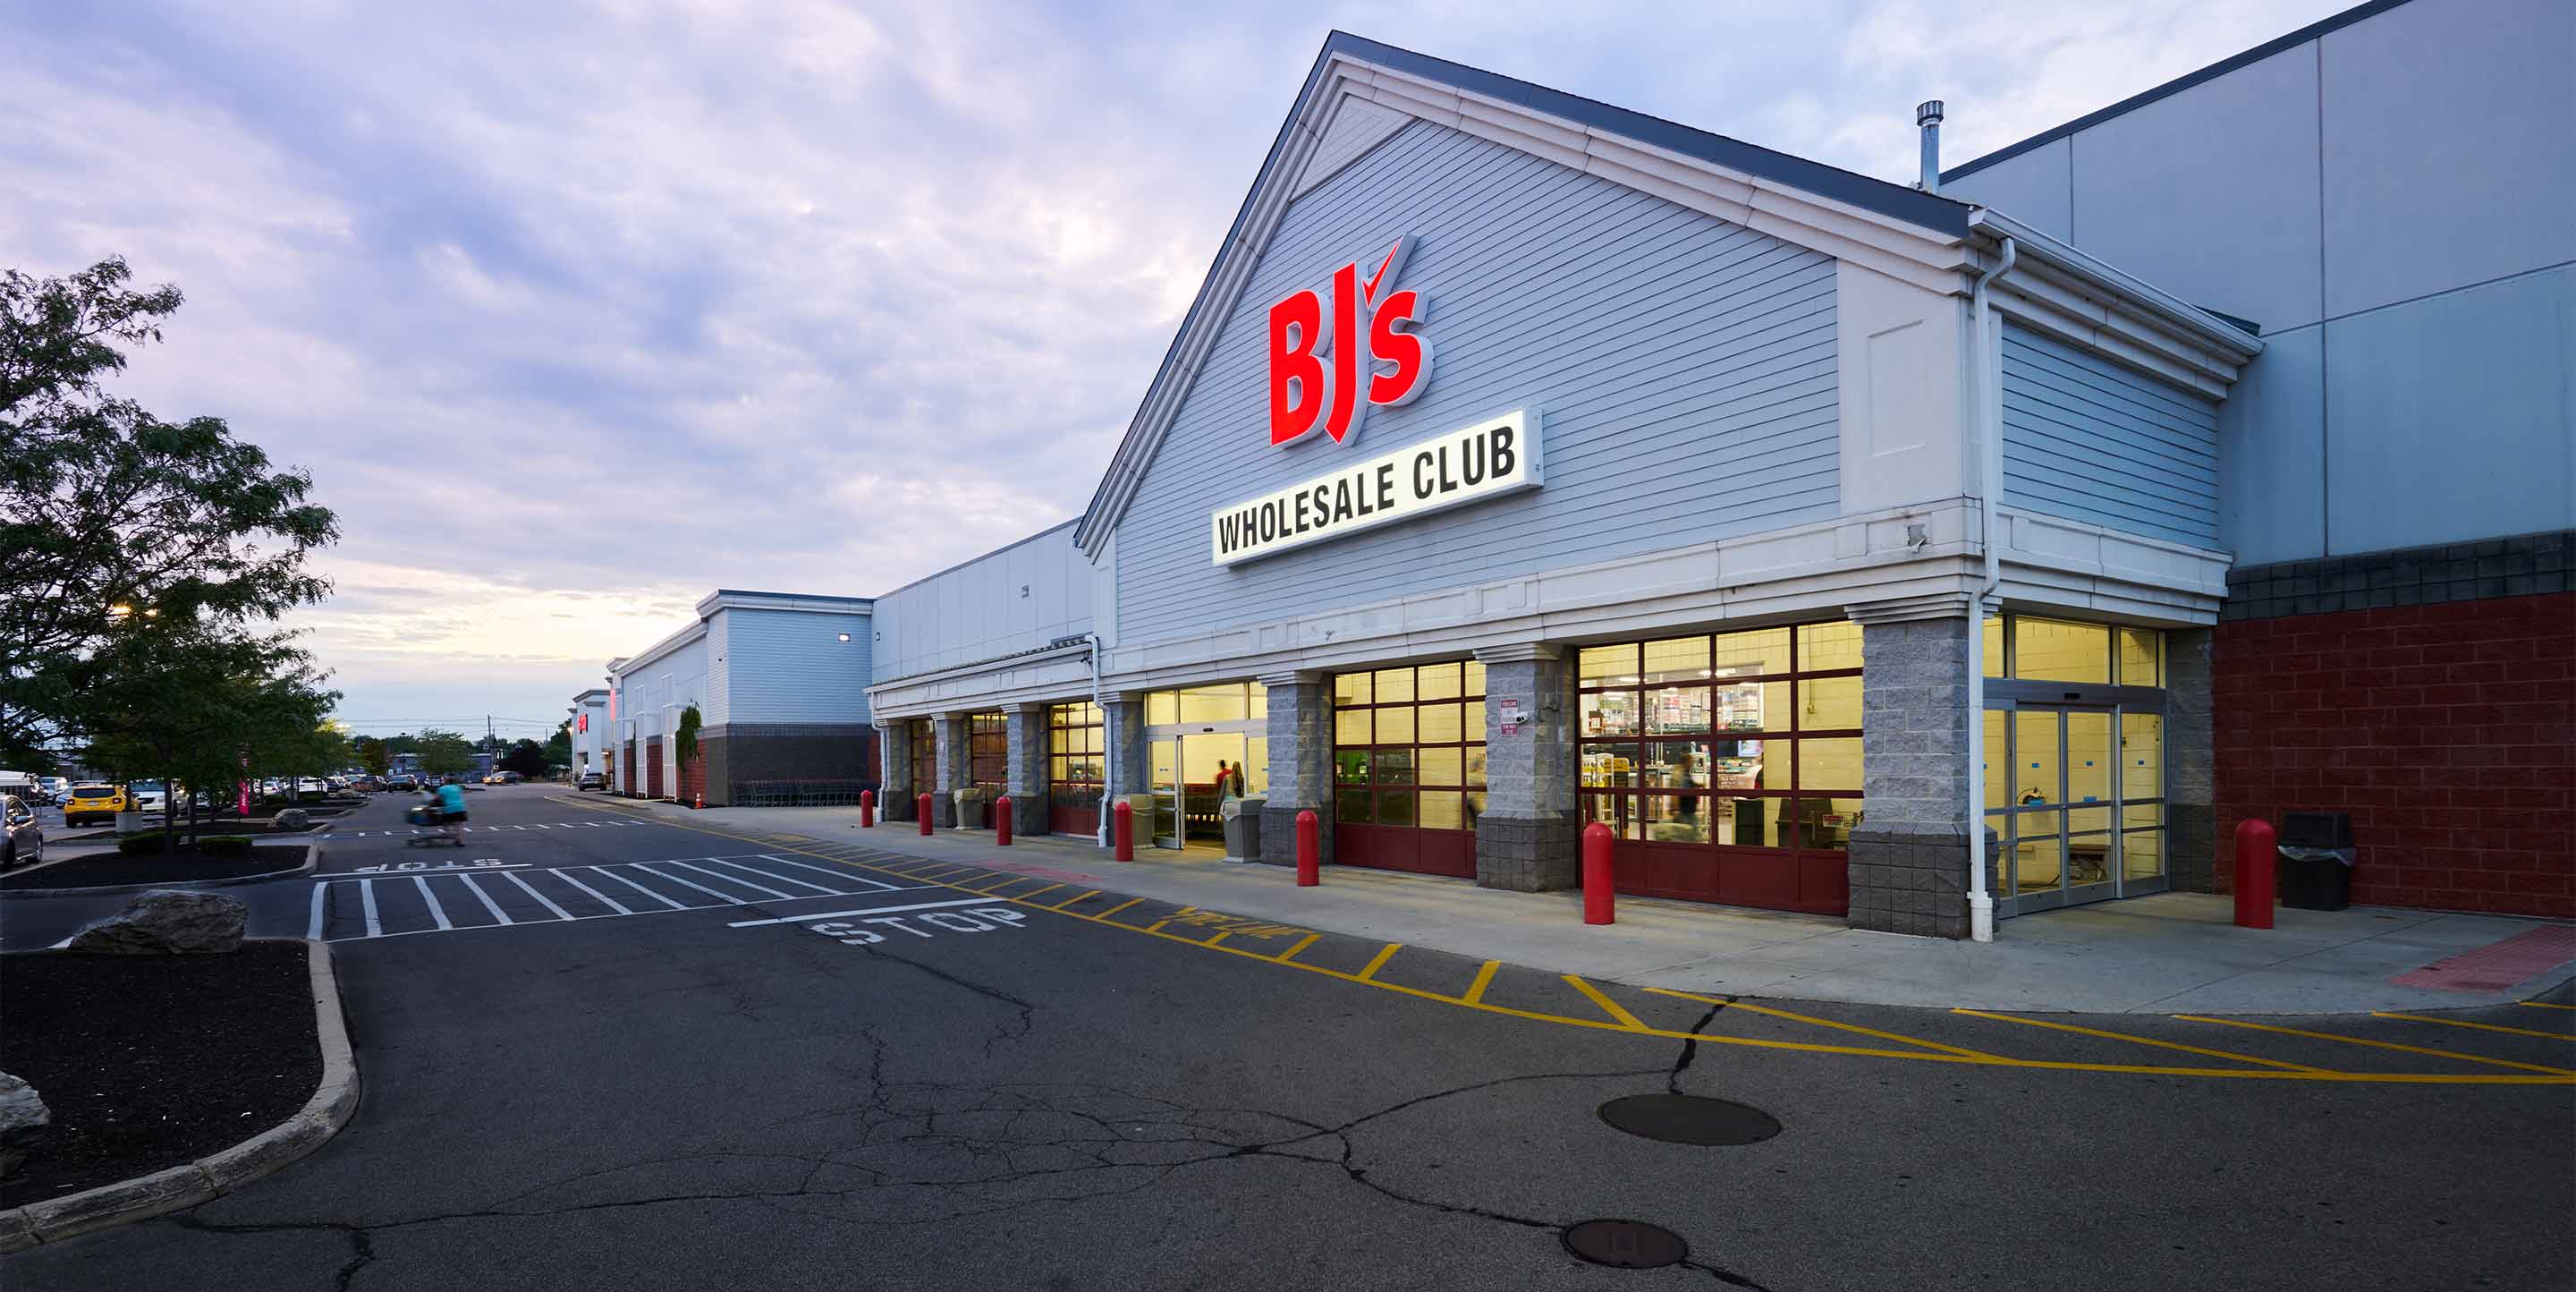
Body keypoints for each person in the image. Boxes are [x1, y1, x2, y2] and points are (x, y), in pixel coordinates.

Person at [431, 778, 469, 843]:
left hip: (449, 808)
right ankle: (459, 839)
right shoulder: (457, 787)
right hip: (460, 807)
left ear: (445, 782)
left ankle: (444, 838)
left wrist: (430, 804)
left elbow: (436, 798)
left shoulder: (442, 788)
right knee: (458, 825)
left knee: (446, 823)